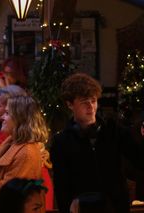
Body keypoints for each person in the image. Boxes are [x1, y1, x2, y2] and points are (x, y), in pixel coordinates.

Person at [51, 72, 144, 213]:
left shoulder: (114, 131)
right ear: (70, 104)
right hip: (83, 208)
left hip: (115, 207)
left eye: (93, 100)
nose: (90, 106)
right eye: (84, 102)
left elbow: (140, 159)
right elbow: (61, 186)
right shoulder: (61, 141)